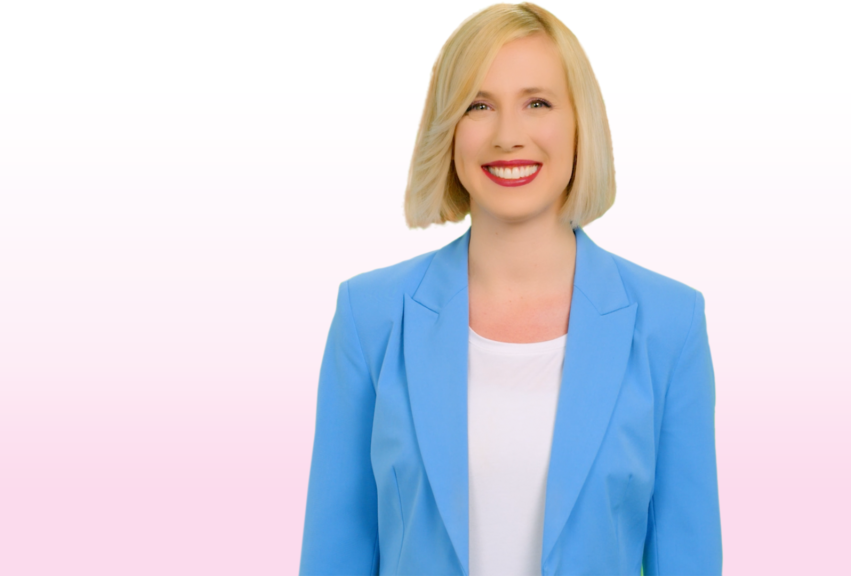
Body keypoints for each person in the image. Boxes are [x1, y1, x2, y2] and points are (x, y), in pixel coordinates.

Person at [298, 3, 722, 575]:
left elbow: (689, 558)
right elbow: (333, 556)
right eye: (479, 105)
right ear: (448, 132)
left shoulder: (671, 324)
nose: (507, 136)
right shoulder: (369, 317)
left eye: (537, 103)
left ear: (580, 125)